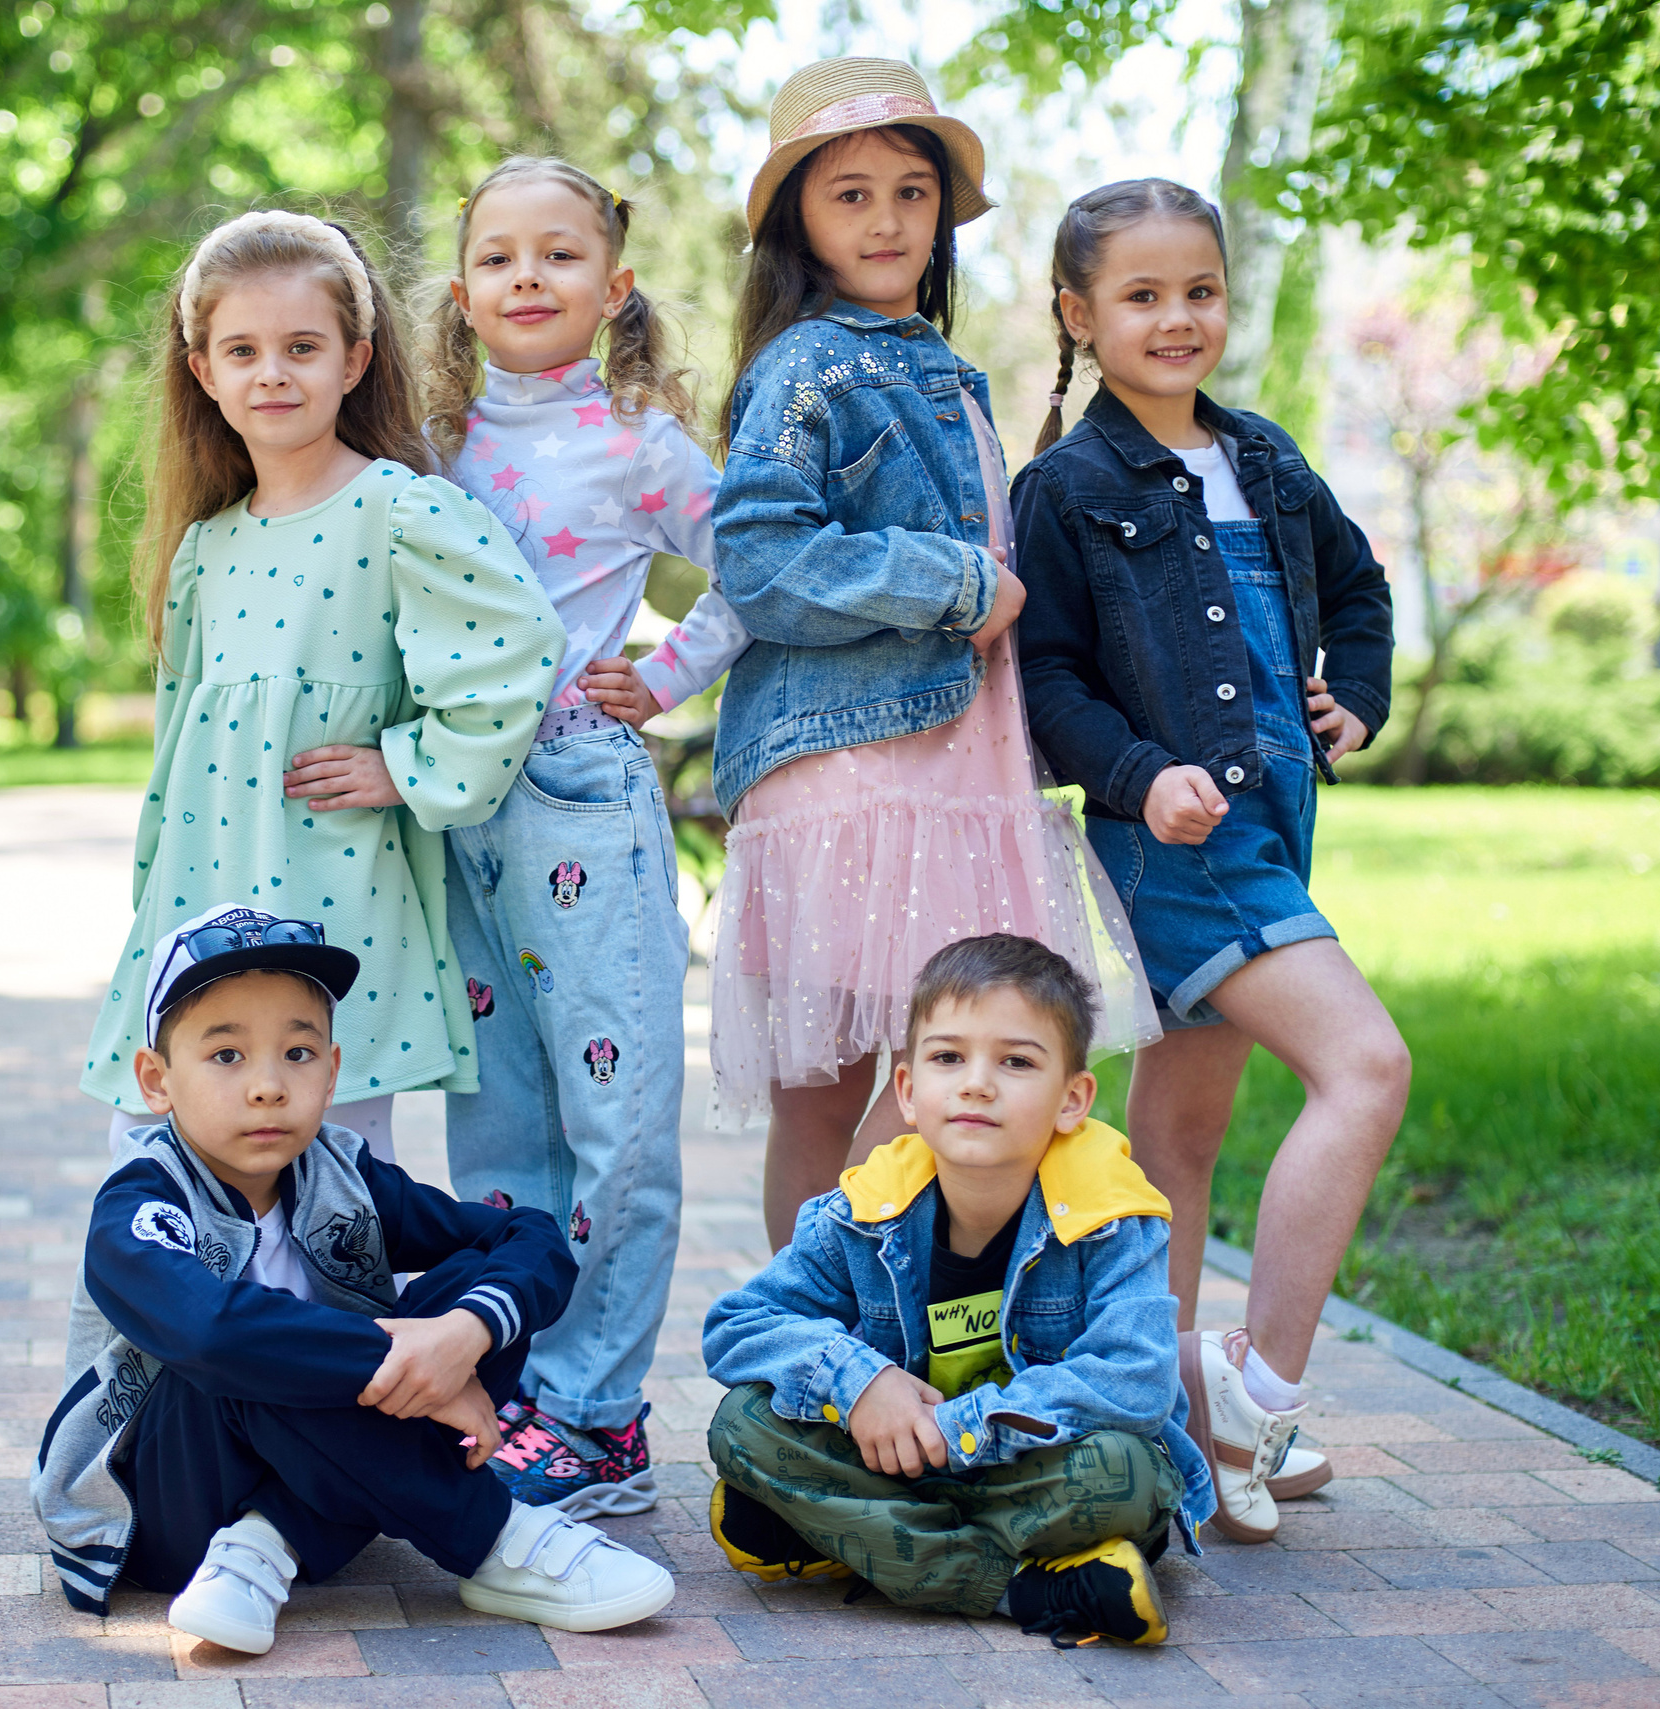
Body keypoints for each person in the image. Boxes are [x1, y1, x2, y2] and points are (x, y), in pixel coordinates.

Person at [1011, 178, 1410, 1542]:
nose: (1178, 318)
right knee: (1366, 1067)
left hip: (1271, 836)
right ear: (1080, 314)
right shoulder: (1066, 487)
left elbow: (1358, 590)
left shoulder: (1269, 456)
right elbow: (1046, 678)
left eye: (1201, 291)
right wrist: (1136, 772)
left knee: (1180, 1141)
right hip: (1183, 851)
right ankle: (1257, 1391)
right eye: (1142, 295)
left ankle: (1175, 1434)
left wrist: (1356, 692)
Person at [706, 57, 1159, 1250]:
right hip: (864, 763)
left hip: (940, 757)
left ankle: (815, 1345)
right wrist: (954, 582)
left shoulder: (927, 361)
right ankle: (846, 1339)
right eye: (849, 193)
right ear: (797, 216)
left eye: (910, 191)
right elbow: (756, 555)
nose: (887, 219)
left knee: (848, 1076)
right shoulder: (818, 360)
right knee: (921, 1068)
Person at [35, 908, 675, 1653]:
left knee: (471, 1293)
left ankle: (266, 1543)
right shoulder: (139, 1204)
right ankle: (497, 1538)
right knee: (244, 1349)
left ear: (332, 1071)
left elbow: (527, 1235)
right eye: (226, 1056)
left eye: (298, 1052)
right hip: (159, 1509)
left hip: (313, 1467)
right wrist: (412, 1360)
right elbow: (211, 1330)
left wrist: (460, 1337)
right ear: (157, 1080)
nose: (269, 1085)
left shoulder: (341, 1175)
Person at [79, 209, 565, 1164]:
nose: (273, 372)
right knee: (149, 1148)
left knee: (327, 1162)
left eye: (302, 347)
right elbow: (179, 747)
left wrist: (410, 767)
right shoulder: (206, 548)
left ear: (353, 360)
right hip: (202, 895)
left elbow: (516, 647)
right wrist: (150, 894)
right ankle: (184, 1318)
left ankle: (331, 1317)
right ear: (203, 370)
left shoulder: (397, 509)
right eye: (243, 350)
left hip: (329, 893)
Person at [423, 155, 749, 1515]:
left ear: (612, 289)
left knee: (615, 1123)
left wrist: (667, 677)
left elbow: (757, 566)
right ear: (461, 292)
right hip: (456, 818)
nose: (527, 279)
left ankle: (602, 1414)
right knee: (497, 1129)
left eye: (559, 256)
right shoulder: (428, 447)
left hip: (585, 804)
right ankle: (516, 1386)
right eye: (499, 257)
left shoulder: (635, 440)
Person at [701, 934, 1213, 1645]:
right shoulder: (863, 1212)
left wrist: (962, 1427)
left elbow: (1135, 1381)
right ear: (908, 1091)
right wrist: (862, 1382)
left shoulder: (1112, 1217)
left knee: (1125, 1475)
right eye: (948, 1056)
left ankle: (839, 1532)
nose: (977, 1082)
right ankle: (1030, 1585)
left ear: (1073, 1099)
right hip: (901, 1459)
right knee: (741, 1425)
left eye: (1016, 1061)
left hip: (1033, 1469)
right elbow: (738, 1324)